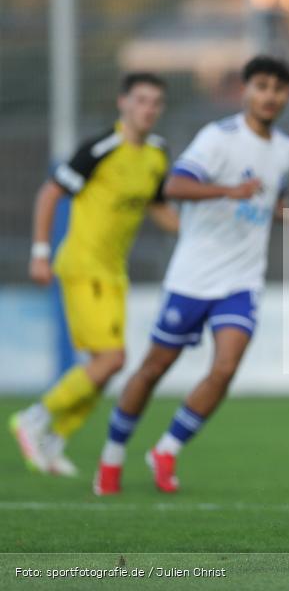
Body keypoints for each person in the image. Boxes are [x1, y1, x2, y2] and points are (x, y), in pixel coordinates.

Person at [92, 56, 289, 496]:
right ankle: (111, 455)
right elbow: (173, 186)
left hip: (241, 282)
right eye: (261, 86)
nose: (269, 96)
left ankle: (166, 449)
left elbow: (271, 203)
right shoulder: (217, 138)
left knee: (224, 368)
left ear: (286, 96)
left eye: (278, 89)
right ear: (246, 90)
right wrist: (227, 189)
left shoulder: (285, 148)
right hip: (193, 277)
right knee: (153, 369)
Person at [10, 73, 177, 477]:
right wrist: (39, 252)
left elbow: (158, 207)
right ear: (123, 103)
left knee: (107, 365)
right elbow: (49, 193)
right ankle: (35, 418)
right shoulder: (101, 148)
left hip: (113, 273)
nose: (147, 109)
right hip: (83, 266)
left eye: (155, 102)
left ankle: (54, 437)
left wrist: (200, 229)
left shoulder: (156, 154)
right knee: (112, 359)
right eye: (140, 100)